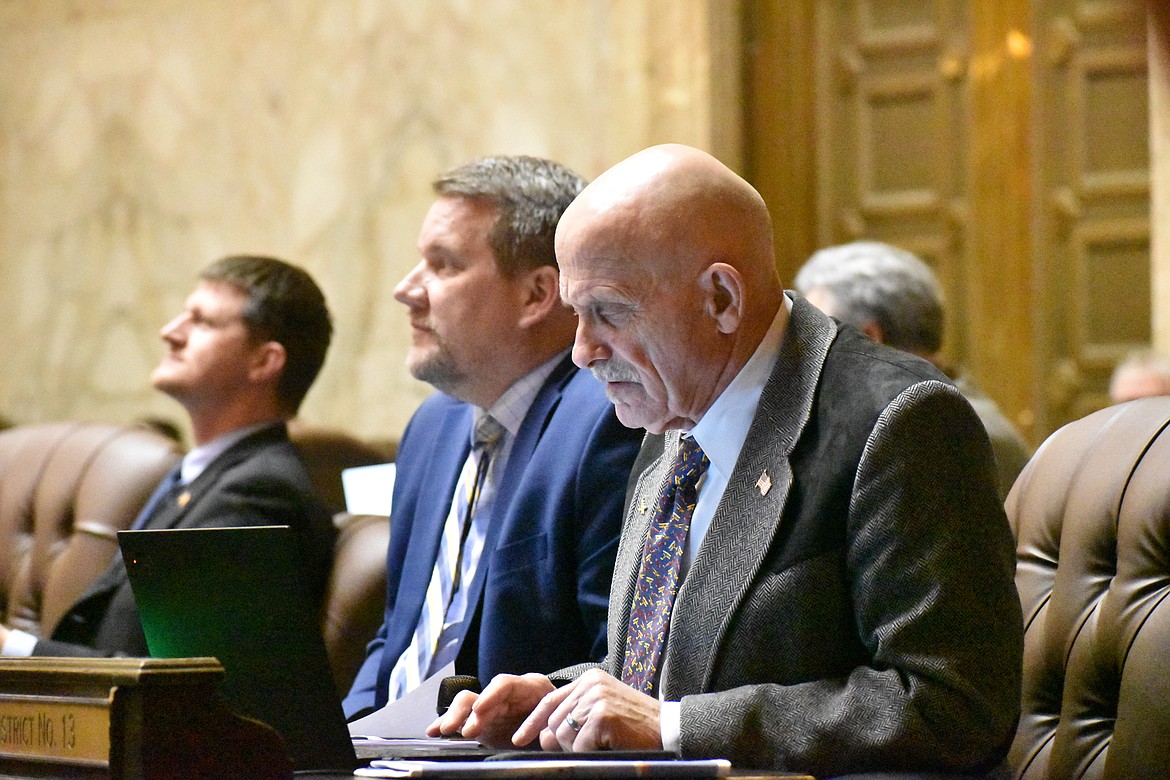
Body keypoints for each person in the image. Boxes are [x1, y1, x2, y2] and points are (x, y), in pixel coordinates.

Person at [432, 145, 1023, 778]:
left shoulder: (900, 420)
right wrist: (558, 699)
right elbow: (668, 668)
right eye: (578, 314)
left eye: (608, 312)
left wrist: (675, 727)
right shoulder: (670, 420)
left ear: (721, 298)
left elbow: (952, 706)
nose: (582, 352)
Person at [342, 156, 642, 719]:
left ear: (536, 294)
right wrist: (333, 746)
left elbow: (622, 658)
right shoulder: (432, 425)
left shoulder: (610, 418)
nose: (407, 290)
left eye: (443, 265)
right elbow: (397, 640)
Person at [0, 255, 337, 657]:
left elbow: (181, 684)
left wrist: (11, 648)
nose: (170, 332)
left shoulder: (259, 492)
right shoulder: (202, 477)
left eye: (202, 322)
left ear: (264, 362)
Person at [793, 240, 1032, 500]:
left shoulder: (937, 432)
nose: (807, 352)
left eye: (820, 335)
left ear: (868, 338)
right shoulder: (934, 411)